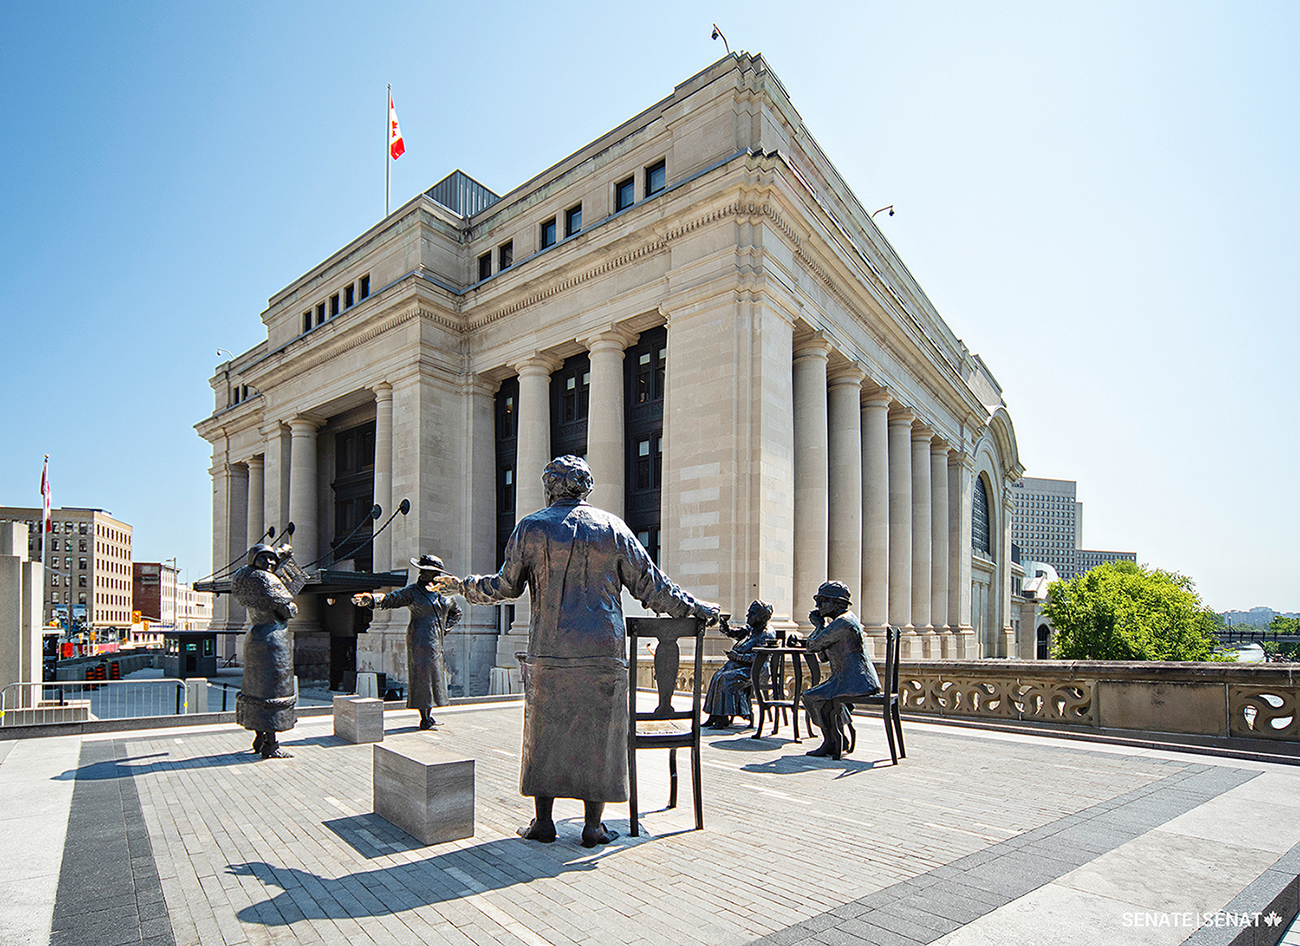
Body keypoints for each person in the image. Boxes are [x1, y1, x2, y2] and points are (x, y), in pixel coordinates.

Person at [433, 455, 719, 847]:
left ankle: (544, 822)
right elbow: (654, 588)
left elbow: (504, 587)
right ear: (586, 487)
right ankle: (592, 826)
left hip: (549, 649)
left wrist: (461, 586)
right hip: (602, 649)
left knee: (543, 734)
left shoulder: (531, 528)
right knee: (600, 736)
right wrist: (696, 608)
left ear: (550, 486)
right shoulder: (612, 528)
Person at [352, 554, 461, 729]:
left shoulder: (444, 593)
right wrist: (371, 599)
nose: (424, 573)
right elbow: (392, 598)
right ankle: (424, 717)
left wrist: (445, 629)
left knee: (435, 677)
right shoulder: (413, 591)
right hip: (419, 641)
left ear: (437, 574)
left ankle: (429, 714)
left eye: (429, 571)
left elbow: (456, 612)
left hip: (436, 641)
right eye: (423, 570)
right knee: (422, 677)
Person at [800, 580, 880, 760]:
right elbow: (823, 657)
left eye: (822, 600)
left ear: (836, 603)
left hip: (854, 680)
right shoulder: (842, 621)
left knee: (810, 696)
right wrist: (821, 631)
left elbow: (813, 646)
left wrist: (819, 625)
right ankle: (838, 738)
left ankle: (831, 741)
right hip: (848, 678)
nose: (817, 605)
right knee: (823, 699)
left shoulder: (843, 622)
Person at [233, 543, 299, 759]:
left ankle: (259, 738)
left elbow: (265, 565)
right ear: (255, 560)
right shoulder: (267, 580)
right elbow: (287, 610)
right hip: (273, 640)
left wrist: (281, 553)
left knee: (256, 690)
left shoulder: (244, 577)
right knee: (273, 692)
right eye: (265, 559)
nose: (270, 563)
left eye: (273, 559)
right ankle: (271, 745)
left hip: (255, 638)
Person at [702, 599, 777, 729]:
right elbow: (735, 633)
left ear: (761, 617)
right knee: (716, 676)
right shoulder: (750, 629)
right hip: (740, 666)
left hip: (756, 670)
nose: (748, 616)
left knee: (725, 679)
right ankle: (715, 715)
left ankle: (723, 717)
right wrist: (725, 627)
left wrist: (738, 657)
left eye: (752, 613)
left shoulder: (766, 633)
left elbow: (759, 658)